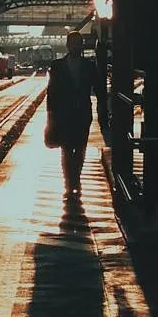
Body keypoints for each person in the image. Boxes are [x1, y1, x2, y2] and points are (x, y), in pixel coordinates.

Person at [46, 30, 103, 197]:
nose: (76, 47)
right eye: (73, 44)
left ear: (81, 46)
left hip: (82, 114)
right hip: (64, 115)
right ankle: (69, 182)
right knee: (66, 149)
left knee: (80, 149)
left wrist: (103, 110)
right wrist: (51, 115)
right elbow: (51, 92)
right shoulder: (57, 66)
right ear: (68, 45)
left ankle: (75, 179)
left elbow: (99, 88)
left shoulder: (89, 66)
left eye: (78, 44)